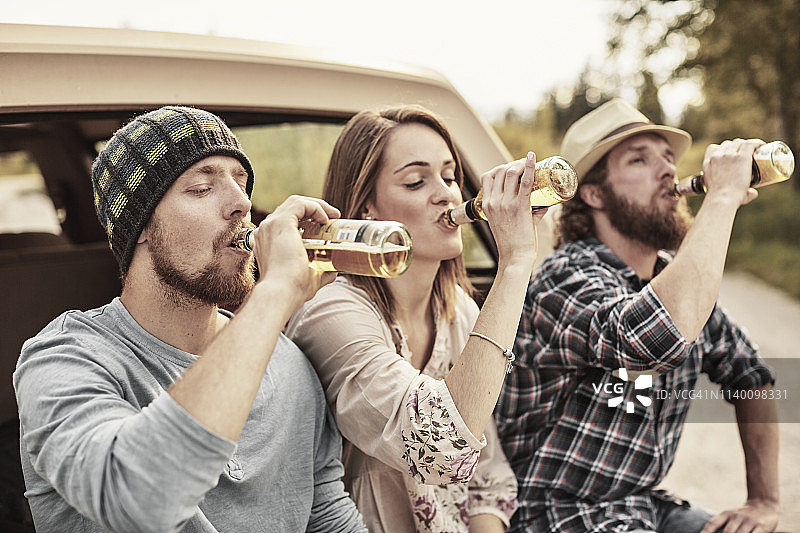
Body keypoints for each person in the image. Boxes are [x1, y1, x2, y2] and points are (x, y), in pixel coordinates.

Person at [13, 106, 367, 533]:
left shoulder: (288, 361)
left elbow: (327, 515)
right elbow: (137, 498)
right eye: (202, 187)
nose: (242, 204)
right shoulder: (64, 358)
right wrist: (275, 293)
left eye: (241, 183)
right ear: (140, 225)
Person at [495, 98, 780, 533]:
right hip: (556, 514)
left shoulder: (670, 275)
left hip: (643, 507)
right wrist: (721, 197)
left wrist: (763, 501)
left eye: (667, 157)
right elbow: (652, 338)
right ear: (593, 193)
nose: (667, 170)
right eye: (639, 159)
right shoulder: (564, 278)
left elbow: (751, 374)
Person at [285, 105, 546, 532]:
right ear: (365, 206)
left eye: (450, 176)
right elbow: (443, 446)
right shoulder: (331, 315)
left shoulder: (458, 309)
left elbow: (487, 477)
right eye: (415, 180)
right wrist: (515, 262)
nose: (446, 194)